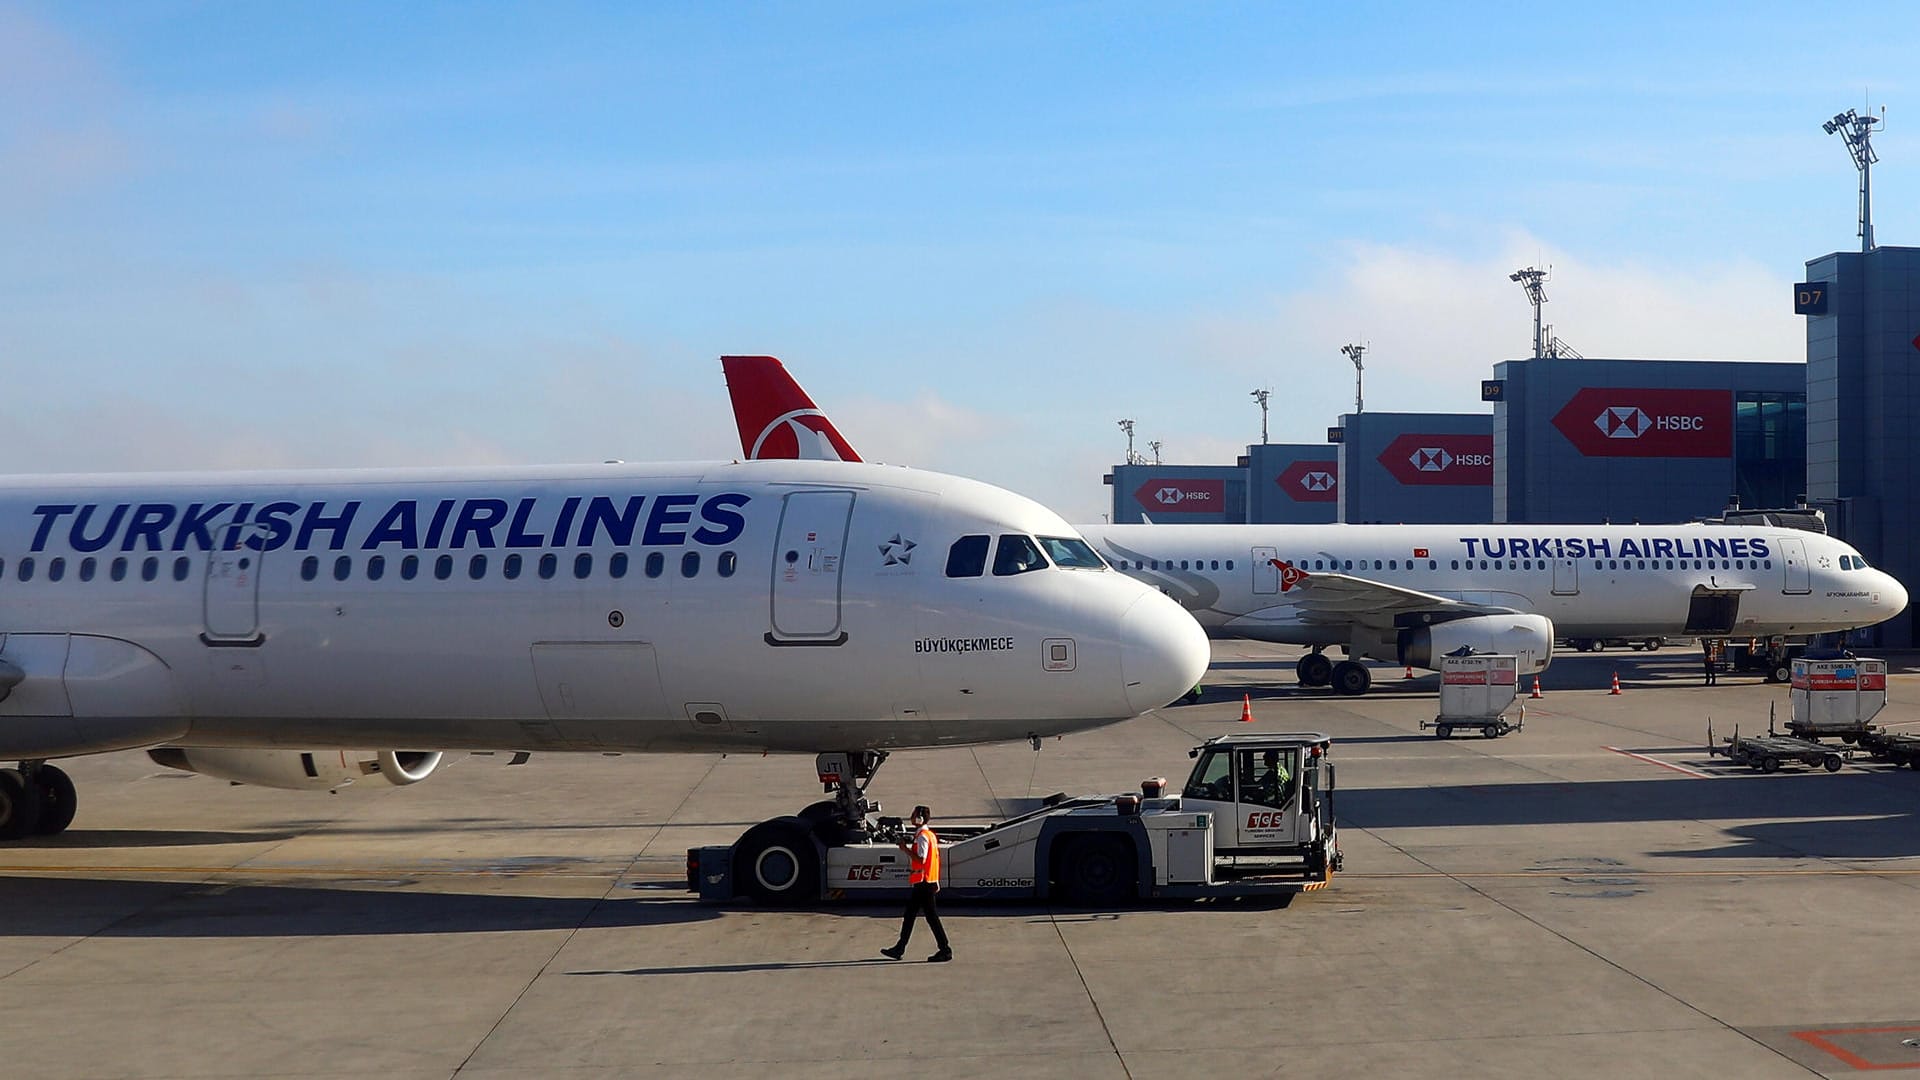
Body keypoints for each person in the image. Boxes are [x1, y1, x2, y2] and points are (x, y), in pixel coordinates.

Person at [881, 805, 951, 963]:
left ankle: (945, 949)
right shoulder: (929, 835)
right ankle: (900, 948)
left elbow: (921, 859)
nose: (911, 817)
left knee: (926, 916)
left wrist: (904, 849)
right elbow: (934, 860)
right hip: (927, 881)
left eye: (913, 815)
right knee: (912, 915)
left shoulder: (922, 837)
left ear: (919, 818)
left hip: (924, 883)